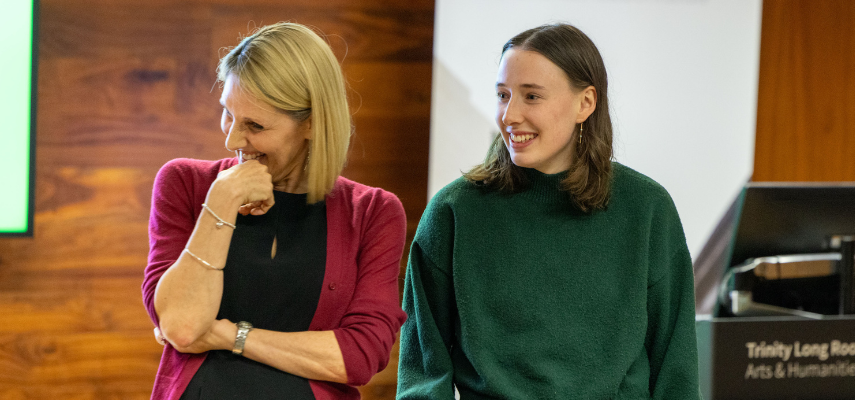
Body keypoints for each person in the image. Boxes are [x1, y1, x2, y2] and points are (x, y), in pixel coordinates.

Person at [397, 23, 700, 399]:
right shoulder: (452, 213)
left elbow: (676, 373)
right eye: (503, 95)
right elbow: (423, 375)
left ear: (585, 103)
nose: (509, 115)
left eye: (531, 96)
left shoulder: (648, 210)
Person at [141, 22, 407, 400]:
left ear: (311, 123)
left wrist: (225, 334)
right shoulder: (185, 183)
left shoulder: (373, 212)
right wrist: (221, 201)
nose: (232, 139)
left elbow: (360, 356)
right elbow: (182, 328)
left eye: (255, 125)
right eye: (228, 113)